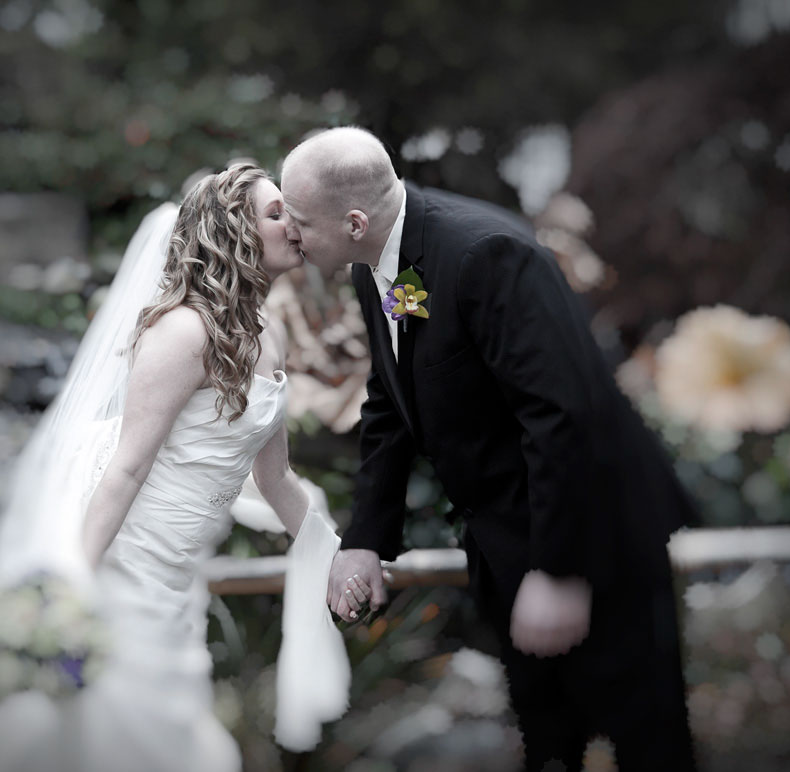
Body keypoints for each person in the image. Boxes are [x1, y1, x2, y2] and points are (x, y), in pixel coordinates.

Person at [280, 127, 699, 772]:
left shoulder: (484, 253)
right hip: (510, 546)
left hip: (597, 544)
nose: (291, 236)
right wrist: (366, 537)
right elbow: (393, 400)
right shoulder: (385, 262)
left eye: (302, 221)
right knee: (549, 744)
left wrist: (559, 571)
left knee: (647, 746)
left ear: (355, 220)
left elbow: (562, 417)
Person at [0, 162, 349, 772]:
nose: (293, 225)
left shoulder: (267, 337)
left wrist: (334, 554)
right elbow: (126, 469)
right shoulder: (181, 333)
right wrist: (73, 584)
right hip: (127, 576)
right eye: (275, 212)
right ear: (235, 231)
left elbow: (274, 478)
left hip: (178, 584)